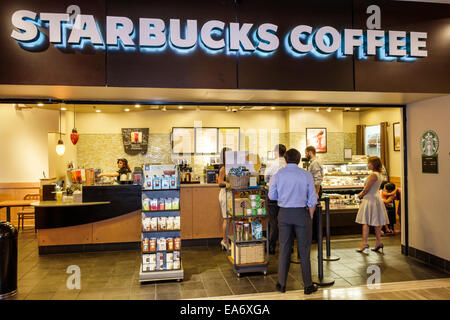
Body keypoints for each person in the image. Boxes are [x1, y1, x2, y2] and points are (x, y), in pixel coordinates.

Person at [269, 148, 318, 295]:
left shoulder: (278, 175)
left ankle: (281, 284)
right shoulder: (306, 175)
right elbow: (313, 198)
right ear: (298, 159)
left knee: (284, 248)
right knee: (304, 250)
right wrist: (309, 215)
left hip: (284, 213)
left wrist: (283, 197)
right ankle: (308, 285)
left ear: (285, 159)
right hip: (301, 213)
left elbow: (272, 196)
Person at [355, 156, 389, 253]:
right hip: (376, 198)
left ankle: (364, 243)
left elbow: (367, 188)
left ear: (373, 164)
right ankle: (378, 242)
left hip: (370, 200)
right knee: (376, 223)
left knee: (365, 222)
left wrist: (360, 195)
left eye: (369, 163)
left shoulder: (373, 175)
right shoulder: (379, 174)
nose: (367, 165)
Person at [264, 144, 287, 254]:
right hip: (286, 196)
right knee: (285, 221)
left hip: (273, 196)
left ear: (276, 152)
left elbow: (266, 177)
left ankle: (271, 246)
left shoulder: (273, 164)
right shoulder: (288, 163)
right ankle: (288, 246)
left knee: (273, 222)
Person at [305, 146, 323, 243]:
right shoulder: (313, 162)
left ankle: (315, 237)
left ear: (310, 152)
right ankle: (314, 236)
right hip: (313, 190)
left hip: (315, 190)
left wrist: (316, 192)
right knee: (313, 213)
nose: (305, 155)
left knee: (314, 214)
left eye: (306, 153)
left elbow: (317, 179)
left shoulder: (315, 162)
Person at [218, 147, 231, 250]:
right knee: (226, 219)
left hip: (229, 194)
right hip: (225, 194)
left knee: (229, 218)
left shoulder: (230, 167)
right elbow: (220, 182)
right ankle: (224, 241)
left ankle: (226, 240)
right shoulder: (223, 169)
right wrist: (228, 183)